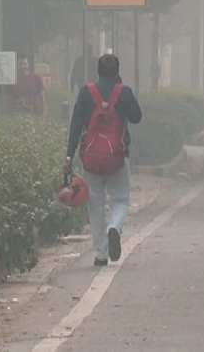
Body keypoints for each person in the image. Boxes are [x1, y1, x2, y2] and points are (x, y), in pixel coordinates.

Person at [65, 54, 142, 267]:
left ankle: (100, 254)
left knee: (95, 204)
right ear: (117, 71)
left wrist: (69, 155)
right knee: (120, 200)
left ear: (97, 72)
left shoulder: (86, 92)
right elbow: (137, 117)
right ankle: (114, 228)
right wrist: (124, 98)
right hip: (117, 157)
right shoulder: (124, 92)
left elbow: (75, 125)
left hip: (91, 159)